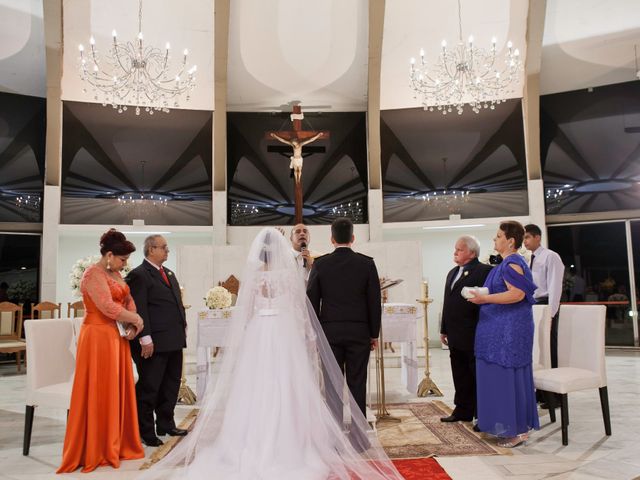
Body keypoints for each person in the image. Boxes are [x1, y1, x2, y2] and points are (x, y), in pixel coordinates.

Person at [139, 228, 403, 479]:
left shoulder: (254, 279)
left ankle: (248, 439)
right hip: (283, 331)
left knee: (255, 385)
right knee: (287, 382)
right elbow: (301, 310)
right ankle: (294, 440)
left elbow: (246, 312)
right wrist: (308, 336)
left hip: (259, 332)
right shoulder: (288, 277)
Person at [58, 229, 144, 473]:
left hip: (116, 337)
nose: (124, 264)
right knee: (100, 388)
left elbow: (127, 300)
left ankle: (117, 441)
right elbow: (107, 307)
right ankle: (99, 446)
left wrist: (132, 324)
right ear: (108, 254)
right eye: (122, 259)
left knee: (115, 387)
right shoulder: (92, 274)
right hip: (97, 337)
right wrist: (137, 319)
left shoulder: (115, 273)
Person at [468, 221, 539, 448]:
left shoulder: (513, 263)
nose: (494, 239)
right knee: (502, 377)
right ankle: (510, 426)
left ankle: (516, 430)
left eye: (498, 236)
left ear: (510, 240)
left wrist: (484, 298)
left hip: (507, 331)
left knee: (507, 376)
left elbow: (517, 294)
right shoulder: (507, 263)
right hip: (499, 328)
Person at [307, 217, 381, 417]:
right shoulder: (366, 264)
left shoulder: (321, 264)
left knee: (332, 385)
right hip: (359, 332)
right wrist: (374, 334)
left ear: (332, 239)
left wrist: (315, 333)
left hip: (329, 333)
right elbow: (374, 302)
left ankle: (336, 436)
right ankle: (358, 438)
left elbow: (311, 302)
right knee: (357, 382)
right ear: (353, 238)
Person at [126, 235, 187, 447]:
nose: (167, 251)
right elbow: (139, 308)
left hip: (173, 339)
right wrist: (145, 338)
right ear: (151, 249)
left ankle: (165, 424)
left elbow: (176, 303)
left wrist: (183, 326)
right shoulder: (139, 275)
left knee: (170, 385)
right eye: (164, 248)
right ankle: (145, 431)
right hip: (153, 342)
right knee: (149, 387)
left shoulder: (168, 273)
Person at [439, 236, 492, 424]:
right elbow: (448, 302)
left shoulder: (484, 271)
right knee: (459, 373)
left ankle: (482, 414)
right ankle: (462, 410)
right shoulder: (452, 272)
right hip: (454, 332)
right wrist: (443, 328)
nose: (455, 252)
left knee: (476, 375)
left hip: (474, 332)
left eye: (459, 249)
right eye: (455, 249)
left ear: (471, 252)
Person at [523, 224, 564, 370]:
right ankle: (541, 385)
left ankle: (553, 385)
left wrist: (552, 313)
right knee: (538, 345)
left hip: (546, 304)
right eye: (523, 238)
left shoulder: (550, 256)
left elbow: (555, 286)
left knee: (548, 344)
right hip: (533, 305)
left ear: (537, 237)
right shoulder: (529, 260)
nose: (524, 241)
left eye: (527, 237)